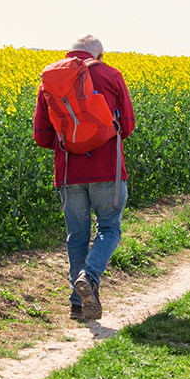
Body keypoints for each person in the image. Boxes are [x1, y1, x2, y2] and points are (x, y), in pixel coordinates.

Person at [32, 35, 136, 321]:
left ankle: (78, 305)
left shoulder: (51, 78)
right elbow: (127, 125)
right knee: (109, 229)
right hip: (107, 169)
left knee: (77, 236)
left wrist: (72, 141)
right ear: (99, 55)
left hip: (68, 171)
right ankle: (88, 277)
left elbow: (41, 136)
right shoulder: (111, 74)